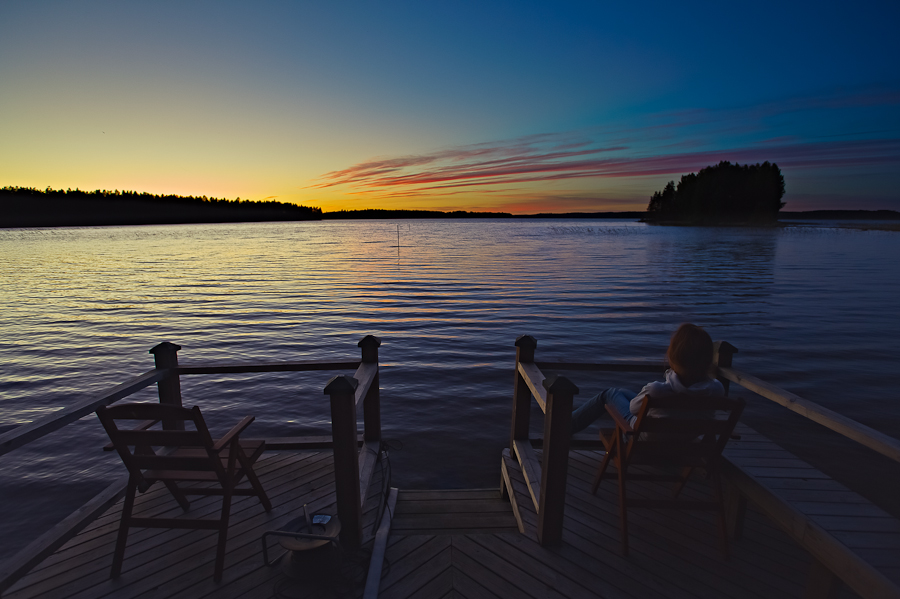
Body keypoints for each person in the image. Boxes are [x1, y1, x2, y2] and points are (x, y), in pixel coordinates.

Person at [571, 323, 725, 434]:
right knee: (621, 392)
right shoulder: (716, 389)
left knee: (608, 394)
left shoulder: (657, 390)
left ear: (673, 357)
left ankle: (566, 426)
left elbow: (633, 409)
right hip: (685, 442)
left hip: (646, 439)